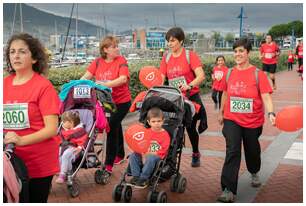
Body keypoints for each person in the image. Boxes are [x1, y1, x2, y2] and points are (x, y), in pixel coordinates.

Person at [217, 38, 276, 203]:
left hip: (253, 121)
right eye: (235, 51)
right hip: (232, 119)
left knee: (252, 150)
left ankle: (254, 170)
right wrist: (221, 112)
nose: (237, 54)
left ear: (248, 53)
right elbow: (225, 94)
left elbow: (266, 96)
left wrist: (271, 112)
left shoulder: (259, 75)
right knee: (233, 150)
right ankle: (228, 189)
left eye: (241, 51)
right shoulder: (229, 73)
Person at [3, 33, 60, 203]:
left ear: (34, 58)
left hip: (38, 162)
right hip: (9, 160)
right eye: (12, 52)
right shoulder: (4, 84)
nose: (16, 56)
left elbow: (51, 129)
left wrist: (21, 140)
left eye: (22, 51)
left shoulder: (43, 86)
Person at [81, 35, 131, 174]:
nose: (117, 49)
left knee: (111, 126)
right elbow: (85, 77)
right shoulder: (97, 62)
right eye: (114, 46)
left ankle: (108, 164)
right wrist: (76, 85)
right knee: (115, 124)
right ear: (105, 49)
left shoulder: (121, 61)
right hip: (105, 102)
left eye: (117, 46)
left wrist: (105, 85)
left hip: (121, 102)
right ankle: (120, 154)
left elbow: (122, 79)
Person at [159, 27, 208, 167]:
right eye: (168, 41)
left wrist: (189, 85)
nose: (170, 43)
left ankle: (195, 152)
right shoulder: (166, 57)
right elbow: (161, 78)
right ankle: (170, 157)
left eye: (173, 40)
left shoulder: (190, 55)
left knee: (190, 128)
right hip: (174, 98)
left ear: (181, 41)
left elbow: (201, 75)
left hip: (190, 97)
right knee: (170, 126)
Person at [128, 107, 170, 188]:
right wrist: (138, 149)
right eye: (153, 121)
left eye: (159, 121)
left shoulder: (165, 135)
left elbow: (164, 149)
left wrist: (154, 153)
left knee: (151, 158)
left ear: (163, 121)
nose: (156, 123)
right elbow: (142, 143)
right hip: (145, 153)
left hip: (157, 155)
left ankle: (144, 178)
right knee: (133, 155)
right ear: (149, 122)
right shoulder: (147, 132)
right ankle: (136, 177)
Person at [56, 111, 88, 184]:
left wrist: (80, 147)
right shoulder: (63, 130)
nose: (62, 123)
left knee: (66, 154)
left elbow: (83, 139)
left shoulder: (79, 130)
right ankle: (65, 170)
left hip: (74, 148)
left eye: (64, 122)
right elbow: (58, 139)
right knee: (58, 153)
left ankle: (63, 174)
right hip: (64, 146)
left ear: (71, 122)